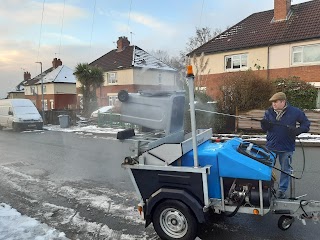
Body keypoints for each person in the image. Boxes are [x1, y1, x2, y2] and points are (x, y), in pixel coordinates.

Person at [261, 92, 310, 199]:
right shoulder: (269, 112)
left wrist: (298, 130)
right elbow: (265, 128)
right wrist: (264, 125)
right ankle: (267, 188)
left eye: (275, 102)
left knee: (285, 170)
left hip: (286, 147)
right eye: (272, 102)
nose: (273, 104)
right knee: (266, 168)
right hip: (271, 146)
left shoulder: (295, 112)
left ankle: (282, 190)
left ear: (283, 102)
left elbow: (306, 124)